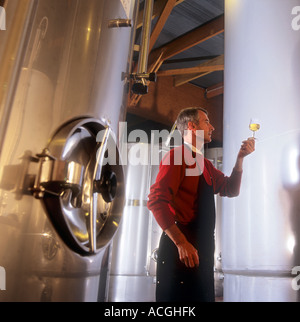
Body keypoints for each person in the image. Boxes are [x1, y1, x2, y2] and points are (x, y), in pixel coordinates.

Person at [147, 107, 255, 302]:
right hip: (180, 251)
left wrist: (240, 159)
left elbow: (231, 189)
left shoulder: (205, 165)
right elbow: (156, 200)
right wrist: (181, 242)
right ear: (192, 126)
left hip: (202, 251)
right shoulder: (177, 156)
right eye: (207, 122)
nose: (212, 127)